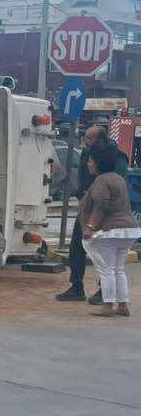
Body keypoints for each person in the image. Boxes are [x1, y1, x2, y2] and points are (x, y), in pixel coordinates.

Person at [56, 125, 128, 303]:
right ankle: (76, 286)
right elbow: (83, 177)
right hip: (86, 208)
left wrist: (91, 223)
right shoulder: (88, 153)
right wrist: (80, 192)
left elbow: (110, 193)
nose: (84, 141)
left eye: (88, 138)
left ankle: (105, 292)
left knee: (105, 255)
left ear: (99, 139)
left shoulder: (117, 157)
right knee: (77, 247)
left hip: (105, 214)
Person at [79, 144, 141, 317]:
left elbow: (101, 204)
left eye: (90, 161)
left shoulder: (102, 180)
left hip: (110, 231)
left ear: (98, 163)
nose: (88, 164)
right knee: (118, 268)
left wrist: (90, 227)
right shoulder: (118, 178)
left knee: (106, 269)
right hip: (128, 230)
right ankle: (122, 305)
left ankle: (107, 306)